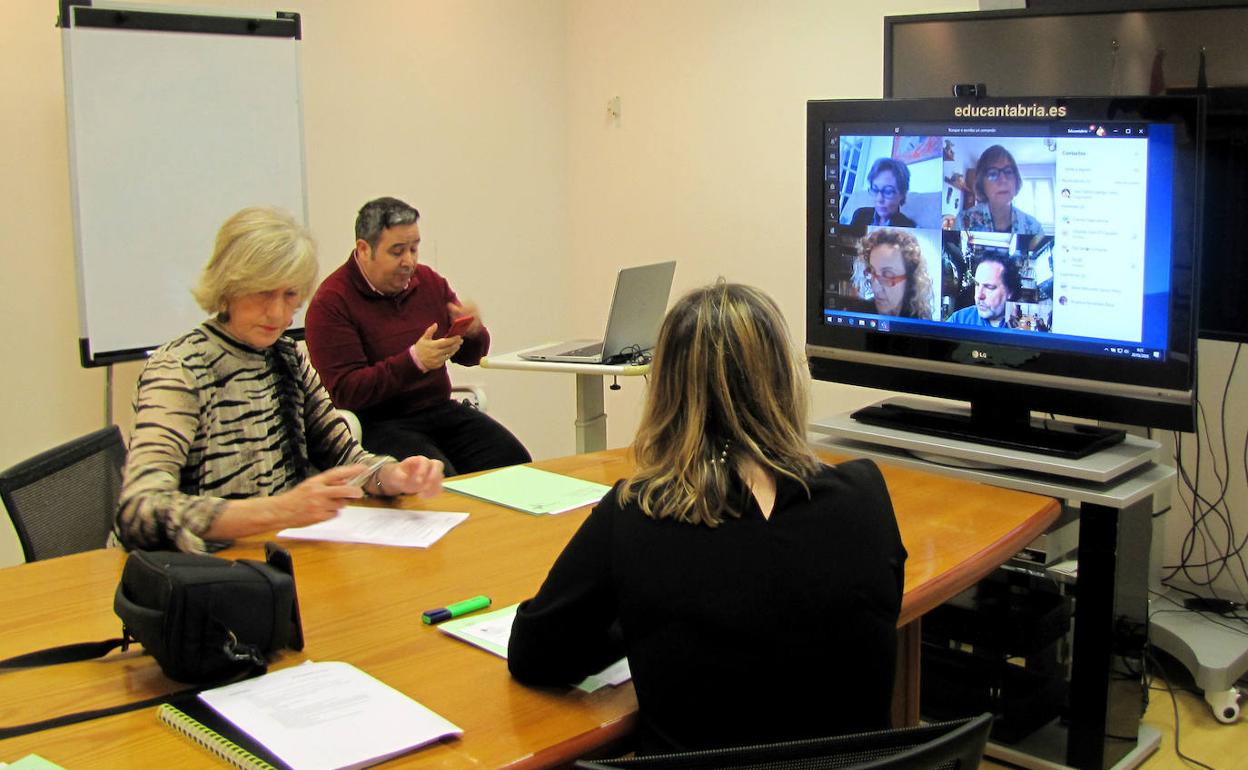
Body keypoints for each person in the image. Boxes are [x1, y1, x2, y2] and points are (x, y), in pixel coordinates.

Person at [508, 281, 907, 755]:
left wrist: (632, 616)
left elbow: (535, 656)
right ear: (786, 379)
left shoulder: (638, 513)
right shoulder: (864, 494)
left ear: (666, 389)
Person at [115, 207, 444, 553]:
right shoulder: (179, 369)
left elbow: (344, 455)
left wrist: (392, 476)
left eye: (290, 296)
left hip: (274, 556)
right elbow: (141, 509)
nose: (278, 313)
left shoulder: (286, 357)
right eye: (262, 293)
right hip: (198, 568)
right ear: (228, 287)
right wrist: (281, 510)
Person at [303, 197, 530, 476]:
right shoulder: (331, 303)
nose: (409, 261)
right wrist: (414, 361)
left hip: (439, 410)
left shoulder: (428, 282)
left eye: (414, 248)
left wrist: (472, 333)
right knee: (436, 480)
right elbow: (346, 392)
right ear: (364, 249)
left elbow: (471, 357)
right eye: (397, 251)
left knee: (514, 461)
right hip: (377, 423)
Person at [957, 145, 1044, 234]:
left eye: (1008, 171)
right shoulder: (963, 223)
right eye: (992, 173)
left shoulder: (1034, 228)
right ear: (981, 183)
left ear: (1016, 180)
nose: (1003, 180)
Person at [855, 228, 934, 319]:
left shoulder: (921, 318)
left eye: (887, 275)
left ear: (910, 280)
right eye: (872, 271)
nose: (876, 288)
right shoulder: (860, 313)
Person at [947, 254, 1021, 327]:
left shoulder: (1023, 325)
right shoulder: (958, 321)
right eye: (977, 284)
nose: (979, 295)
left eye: (989, 287)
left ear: (1009, 292)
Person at [848, 157, 917, 228]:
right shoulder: (860, 214)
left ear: (902, 194)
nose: (879, 199)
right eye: (875, 190)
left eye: (888, 192)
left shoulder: (908, 227)